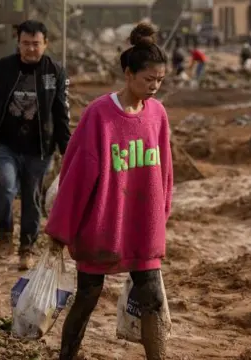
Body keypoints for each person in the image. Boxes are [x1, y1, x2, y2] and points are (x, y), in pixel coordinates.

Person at [46, 22, 173, 360]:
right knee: (88, 295)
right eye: (149, 80)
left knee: (153, 298)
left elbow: (165, 171)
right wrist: (61, 229)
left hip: (141, 225)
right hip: (102, 225)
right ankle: (67, 355)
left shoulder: (158, 115)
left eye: (160, 81)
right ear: (128, 74)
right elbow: (76, 176)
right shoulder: (99, 115)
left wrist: (162, 214)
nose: (155, 88)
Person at [0, 20, 71, 270]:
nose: (30, 49)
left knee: (32, 198)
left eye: (36, 44)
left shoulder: (54, 72)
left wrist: (67, 149)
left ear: (45, 44)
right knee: (4, 185)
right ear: (18, 43)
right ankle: (4, 237)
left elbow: (61, 113)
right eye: (25, 43)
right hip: (7, 145)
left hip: (40, 148)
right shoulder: (4, 68)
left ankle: (26, 247)